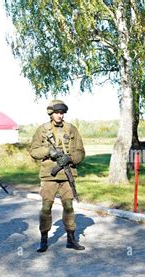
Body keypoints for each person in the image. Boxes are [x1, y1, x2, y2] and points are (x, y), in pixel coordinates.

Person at [30, 99, 86, 252]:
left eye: (62, 113)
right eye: (57, 113)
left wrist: (70, 158)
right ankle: (44, 239)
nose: (60, 115)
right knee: (46, 207)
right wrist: (49, 151)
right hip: (49, 176)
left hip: (67, 175)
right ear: (51, 113)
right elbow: (34, 151)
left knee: (68, 207)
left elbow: (81, 152)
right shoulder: (42, 130)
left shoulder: (71, 129)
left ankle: (71, 238)